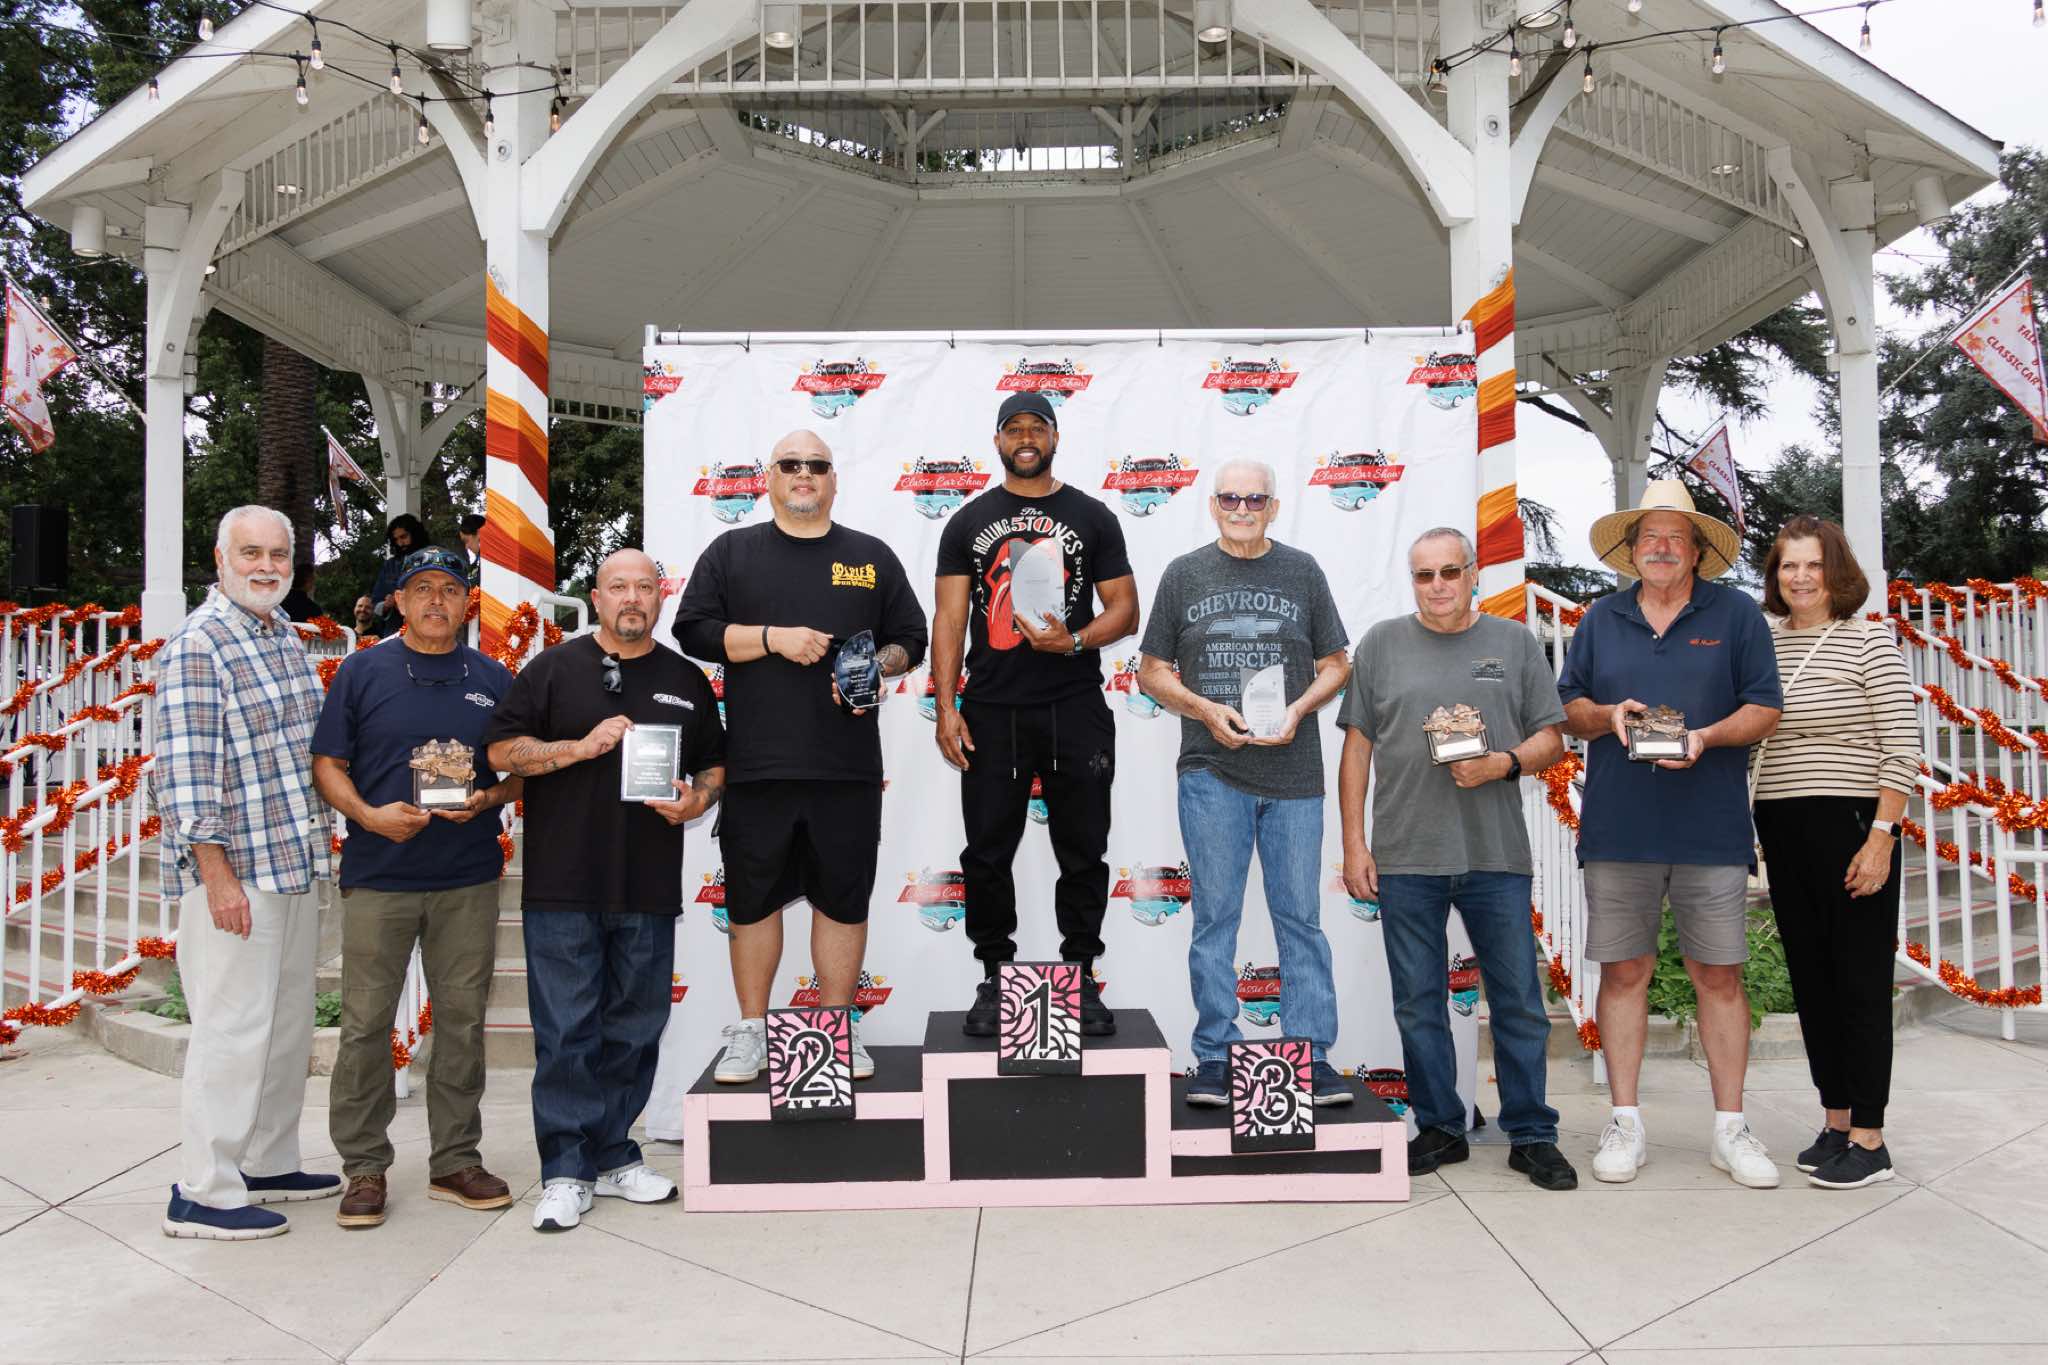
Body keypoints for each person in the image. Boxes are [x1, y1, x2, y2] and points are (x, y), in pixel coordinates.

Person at [672, 430, 928, 1084]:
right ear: (770, 478)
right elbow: (692, 629)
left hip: (846, 768)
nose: (804, 473)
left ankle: (836, 1030)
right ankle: (751, 1031)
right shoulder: (732, 552)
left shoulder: (869, 556)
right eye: (790, 464)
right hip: (757, 766)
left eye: (817, 464)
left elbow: (911, 637)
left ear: (834, 480)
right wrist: (771, 638)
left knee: (842, 901)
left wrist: (877, 664)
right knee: (752, 903)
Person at [482, 550, 726, 1232]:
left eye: (645, 587)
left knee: (635, 1029)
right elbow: (500, 751)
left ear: (660, 597)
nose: (632, 598)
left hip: (646, 884)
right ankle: (565, 1169)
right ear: (596, 597)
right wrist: (577, 747)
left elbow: (714, 762)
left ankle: (615, 1154)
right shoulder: (554, 668)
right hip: (562, 885)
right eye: (619, 586)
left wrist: (696, 800)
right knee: (566, 1033)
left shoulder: (684, 678)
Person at [1338, 527, 1577, 1190]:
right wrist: (1355, 843)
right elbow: (1356, 749)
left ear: (1473, 574)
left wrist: (1504, 762)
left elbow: (1552, 739)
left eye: (1450, 571)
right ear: (1412, 580)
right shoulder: (1381, 644)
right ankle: (1441, 1126)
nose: (1438, 585)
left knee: (1518, 1001)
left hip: (1494, 855)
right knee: (1418, 1003)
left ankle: (1531, 1133)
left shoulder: (1514, 642)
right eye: (1424, 575)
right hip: (1405, 854)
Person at [1559, 481, 1783, 1188]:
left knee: (1719, 975)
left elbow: (1765, 708)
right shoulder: (1601, 618)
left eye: (1674, 537)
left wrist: (1706, 736)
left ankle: (1730, 1129)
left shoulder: (1737, 615)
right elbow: (1568, 706)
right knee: (1624, 972)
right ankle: (1624, 1121)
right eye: (1648, 537)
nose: (1660, 548)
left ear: (1696, 551)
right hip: (1619, 827)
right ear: (1631, 551)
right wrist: (1606, 717)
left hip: (1709, 827)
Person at [312, 546, 523, 1229]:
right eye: (422, 588)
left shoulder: (492, 677)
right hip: (380, 874)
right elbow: (327, 764)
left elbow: (521, 768)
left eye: (450, 589)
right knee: (365, 1024)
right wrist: (369, 815)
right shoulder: (362, 671)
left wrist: (489, 797)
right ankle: (364, 1166)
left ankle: (455, 1159)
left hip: (466, 875)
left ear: (467, 603)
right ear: (399, 601)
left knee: (461, 1021)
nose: (437, 600)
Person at [1136, 459, 1352, 1107]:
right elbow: (1151, 671)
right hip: (1212, 771)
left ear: (1273, 507)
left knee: (1301, 918)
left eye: (1255, 499)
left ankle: (1310, 1054)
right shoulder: (1184, 573)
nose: (1242, 508)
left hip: (1295, 775)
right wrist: (1204, 709)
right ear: (1213, 504)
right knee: (1215, 919)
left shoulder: (1303, 571)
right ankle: (1213, 1055)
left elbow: (1337, 663)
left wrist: (1299, 709)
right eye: (1230, 497)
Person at [152, 506, 339, 1239]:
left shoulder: (282, 633)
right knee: (231, 1030)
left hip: (293, 863)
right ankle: (203, 1189)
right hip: (236, 874)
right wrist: (216, 875)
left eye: (278, 554)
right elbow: (185, 772)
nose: (266, 566)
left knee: (285, 1024)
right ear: (220, 558)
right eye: (251, 553)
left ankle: (265, 1161)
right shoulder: (200, 644)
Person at [932, 391, 1139, 1036]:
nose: (1026, 438)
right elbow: (949, 620)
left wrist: (1073, 642)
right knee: (987, 852)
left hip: (1074, 704)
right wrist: (947, 706)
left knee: (1084, 849)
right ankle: (996, 976)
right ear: (997, 441)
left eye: (1037, 428)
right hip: (992, 709)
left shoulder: (1093, 516)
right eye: (1014, 429)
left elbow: (1125, 610)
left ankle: (1081, 976)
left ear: (1055, 438)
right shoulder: (966, 522)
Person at [1752, 516, 1919, 1189]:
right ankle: (1836, 1120)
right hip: (1782, 827)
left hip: (1852, 827)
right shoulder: (1763, 643)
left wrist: (1881, 838)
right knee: (1814, 981)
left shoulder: (1868, 641)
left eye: (1813, 564)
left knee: (1859, 981)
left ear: (1836, 571)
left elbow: (1902, 748)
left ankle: (1871, 1137)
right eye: (1788, 565)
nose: (1799, 577)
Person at [369, 514, 427, 625]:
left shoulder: (432, 559)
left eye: (404, 537)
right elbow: (375, 602)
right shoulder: (389, 565)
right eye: (396, 539)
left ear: (415, 534)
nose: (400, 543)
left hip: (425, 625)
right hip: (395, 628)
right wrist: (385, 605)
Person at [459, 513, 486, 588]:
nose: (466, 547)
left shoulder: (494, 564)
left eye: (466, 541)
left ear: (479, 533)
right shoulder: (476, 565)